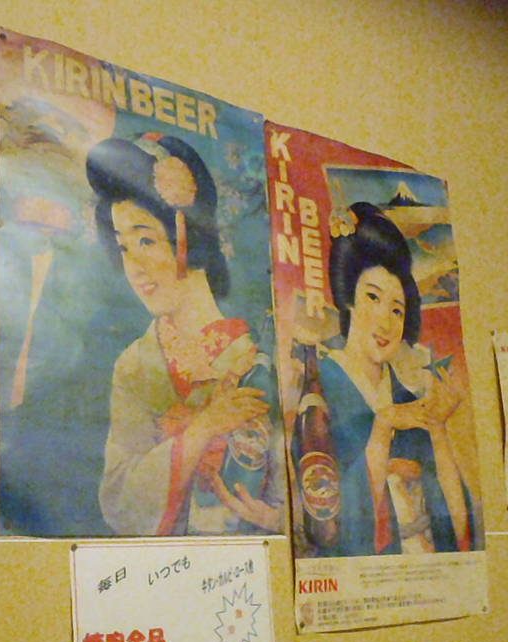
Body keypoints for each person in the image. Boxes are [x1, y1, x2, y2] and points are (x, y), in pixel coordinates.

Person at [86, 134, 283, 536]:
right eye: (124, 247)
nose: (134, 267)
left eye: (146, 240)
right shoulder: (135, 365)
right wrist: (203, 428)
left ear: (187, 235)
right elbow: (120, 498)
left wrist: (277, 519)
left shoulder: (260, 353)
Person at [304, 201, 474, 556]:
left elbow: (457, 529)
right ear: (349, 298)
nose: (386, 322)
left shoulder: (407, 402)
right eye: (372, 297)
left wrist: (438, 430)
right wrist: (382, 428)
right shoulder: (321, 388)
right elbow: (328, 525)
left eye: (397, 309)